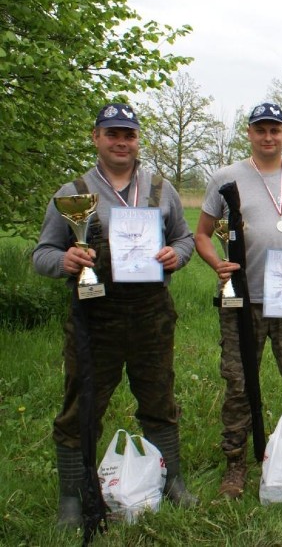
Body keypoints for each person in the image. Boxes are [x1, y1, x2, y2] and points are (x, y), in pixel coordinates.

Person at [33, 103, 197, 528]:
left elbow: (184, 239)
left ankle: (171, 481)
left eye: (129, 134)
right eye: (112, 134)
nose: (121, 142)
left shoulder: (161, 189)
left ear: (138, 139)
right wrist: (64, 260)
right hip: (94, 319)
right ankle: (74, 495)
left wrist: (175, 255)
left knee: (159, 399)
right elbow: (42, 254)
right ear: (96, 137)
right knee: (82, 406)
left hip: (151, 316)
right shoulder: (72, 193)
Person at [195, 102, 282, 498]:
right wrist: (216, 264)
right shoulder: (226, 178)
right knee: (238, 382)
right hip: (242, 299)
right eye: (261, 130)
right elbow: (202, 234)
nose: (268, 137)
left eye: (275, 129)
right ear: (250, 134)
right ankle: (235, 463)